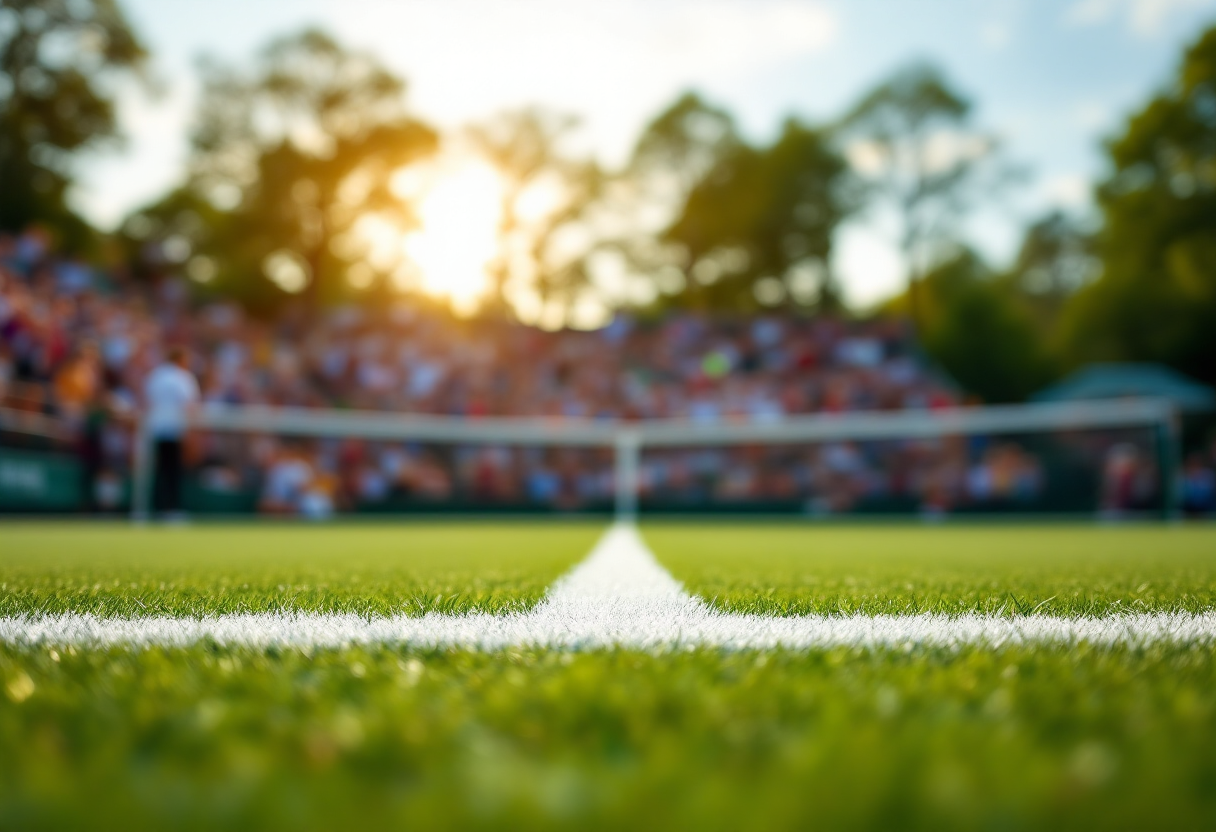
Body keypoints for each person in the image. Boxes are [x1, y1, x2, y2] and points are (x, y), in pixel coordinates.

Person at [144, 345, 199, 519]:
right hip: (175, 430)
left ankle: (157, 508)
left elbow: (147, 401)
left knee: (160, 470)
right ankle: (171, 509)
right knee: (173, 471)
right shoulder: (183, 377)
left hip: (156, 429)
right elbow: (189, 405)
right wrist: (191, 432)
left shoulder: (155, 375)